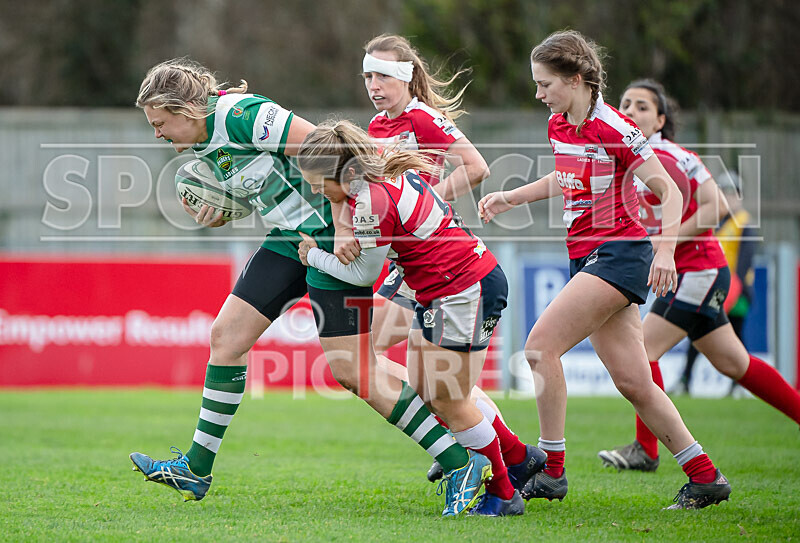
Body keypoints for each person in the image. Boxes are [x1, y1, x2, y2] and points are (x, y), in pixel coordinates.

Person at [127, 58, 494, 516]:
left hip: (328, 238)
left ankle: (460, 462)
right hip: (288, 239)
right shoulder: (201, 141)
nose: (158, 135)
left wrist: (343, 224)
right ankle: (196, 469)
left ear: (187, 109)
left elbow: (333, 155)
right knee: (226, 339)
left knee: (353, 371)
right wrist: (225, 208)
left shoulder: (245, 116)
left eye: (161, 124)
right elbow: (262, 185)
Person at [478, 31, 731, 509]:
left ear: (575, 80)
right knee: (635, 382)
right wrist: (513, 195)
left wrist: (664, 252)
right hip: (590, 256)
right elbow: (565, 175)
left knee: (538, 349)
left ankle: (551, 471)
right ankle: (705, 475)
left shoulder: (616, 128)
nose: (538, 94)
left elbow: (670, 192)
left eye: (544, 84)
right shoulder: (560, 124)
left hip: (620, 253)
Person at [296, 119, 546, 516]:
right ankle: (517, 457)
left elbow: (362, 274)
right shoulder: (371, 169)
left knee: (448, 400)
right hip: (446, 289)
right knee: (428, 393)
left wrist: (314, 256)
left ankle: (503, 491)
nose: (317, 191)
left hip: (463, 291)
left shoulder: (372, 202)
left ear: (343, 173)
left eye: (319, 184)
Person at [596, 79, 800, 472]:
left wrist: (664, 243)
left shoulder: (663, 156)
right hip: (697, 271)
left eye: (642, 107)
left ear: (659, 121)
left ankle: (646, 450)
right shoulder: (643, 155)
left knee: (643, 353)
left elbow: (715, 206)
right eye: (625, 104)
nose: (631, 111)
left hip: (697, 270)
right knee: (735, 363)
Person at [359, 34, 505, 483]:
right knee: (383, 361)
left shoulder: (423, 117)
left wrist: (427, 205)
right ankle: (475, 438)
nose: (373, 84)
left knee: (373, 358)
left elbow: (477, 167)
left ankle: (482, 445)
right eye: (367, 75)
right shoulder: (378, 124)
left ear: (405, 77)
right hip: (408, 258)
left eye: (383, 75)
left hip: (432, 253)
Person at [676, 172, 758, 396]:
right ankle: (686, 379)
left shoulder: (744, 223)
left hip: (738, 290)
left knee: (736, 338)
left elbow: (745, 260)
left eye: (733, 193)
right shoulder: (716, 221)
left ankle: (739, 384)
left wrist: (736, 288)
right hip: (715, 286)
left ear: (739, 197)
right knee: (698, 332)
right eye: (725, 192)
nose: (729, 198)